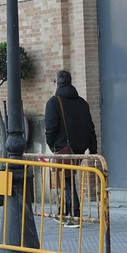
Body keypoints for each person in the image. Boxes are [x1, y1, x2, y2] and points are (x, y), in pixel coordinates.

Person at [43, 70, 98, 224]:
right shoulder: (82, 103)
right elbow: (90, 128)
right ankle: (65, 211)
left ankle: (74, 213)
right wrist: (93, 149)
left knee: (67, 180)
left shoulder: (54, 102)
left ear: (57, 83)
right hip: (80, 147)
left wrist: (52, 145)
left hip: (64, 147)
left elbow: (50, 128)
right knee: (67, 178)